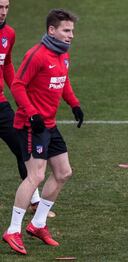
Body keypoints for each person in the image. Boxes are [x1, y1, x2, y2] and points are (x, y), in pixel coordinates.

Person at [2, 9, 84, 255]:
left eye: (72, 31)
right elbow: (17, 85)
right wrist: (31, 113)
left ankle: (38, 224)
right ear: (52, 31)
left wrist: (75, 104)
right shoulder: (36, 55)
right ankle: (13, 230)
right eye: (66, 31)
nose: (71, 36)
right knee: (35, 176)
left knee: (63, 172)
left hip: (49, 124)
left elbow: (63, 81)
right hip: (31, 125)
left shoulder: (63, 56)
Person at [0, 0, 56, 219]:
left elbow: (6, 64)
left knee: (22, 148)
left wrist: (20, 97)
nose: (3, 12)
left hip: (1, 105)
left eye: (6, 7)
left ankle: (34, 200)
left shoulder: (9, 34)